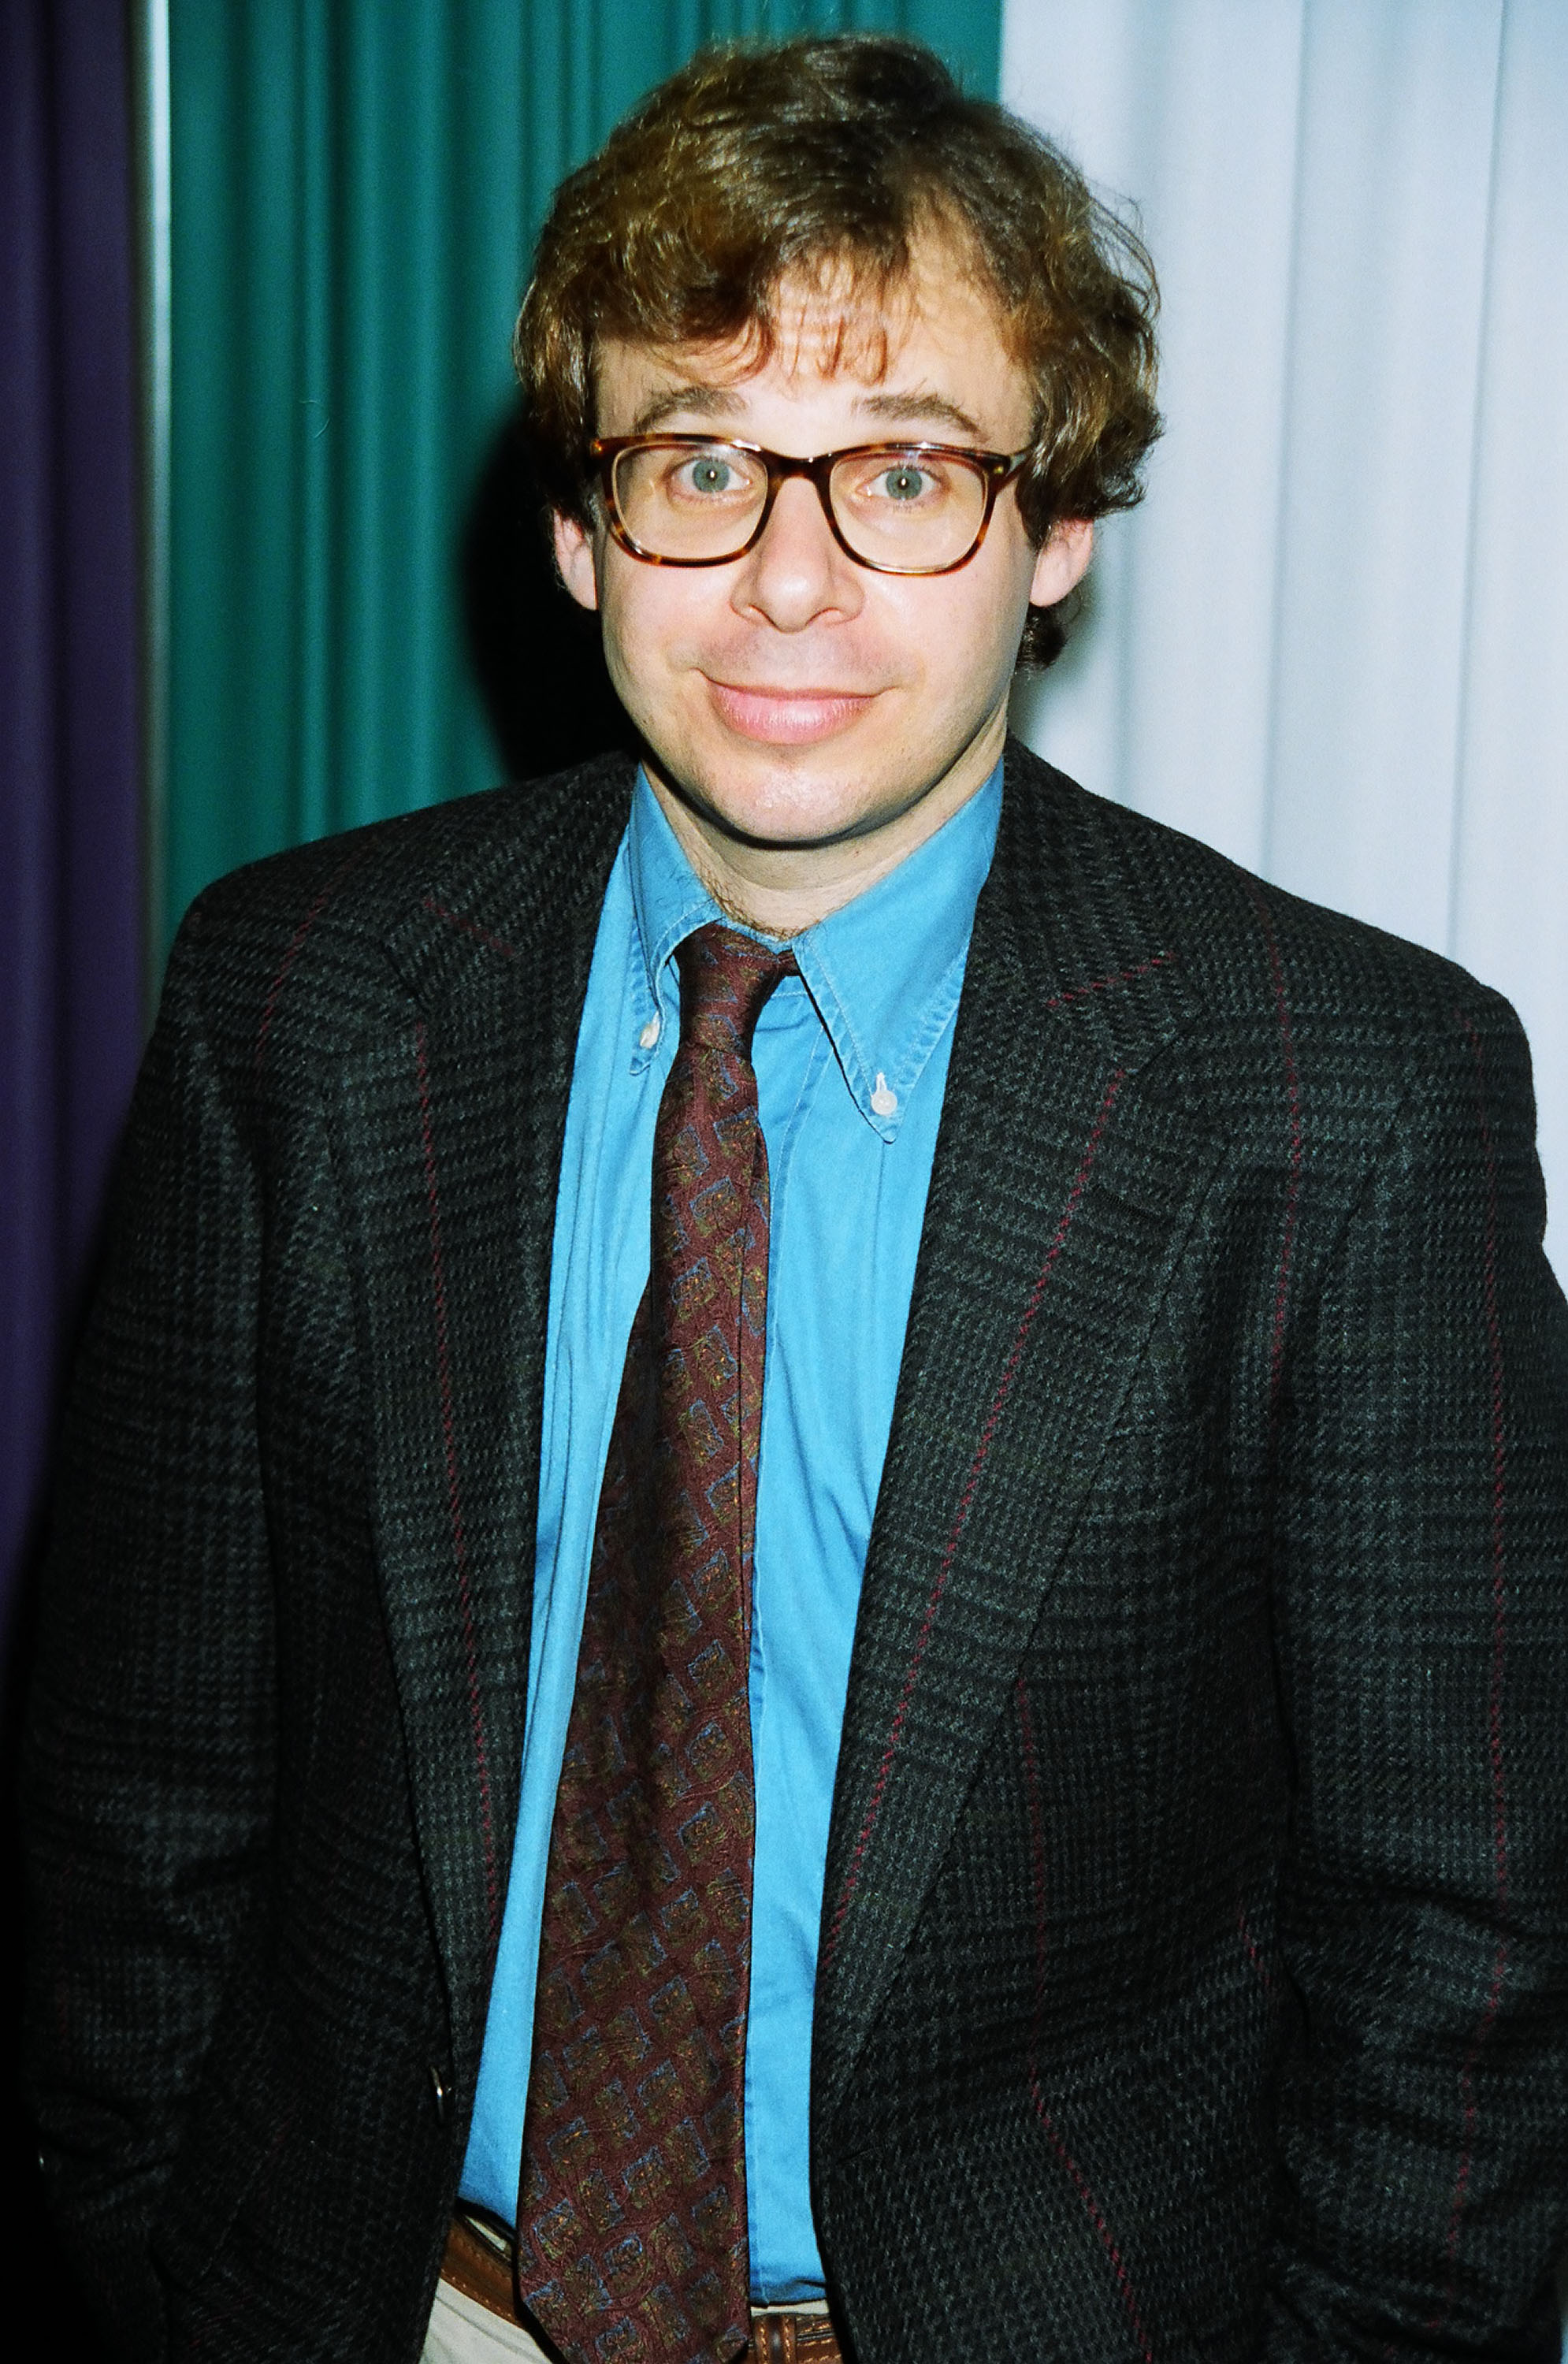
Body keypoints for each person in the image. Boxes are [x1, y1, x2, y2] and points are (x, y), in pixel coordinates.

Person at [22, 34, 1568, 2364]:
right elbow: (136, 1795)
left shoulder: (1348, 1102)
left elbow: (1463, 1963)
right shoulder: (300, 1003)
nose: (790, 581)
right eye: (704, 463)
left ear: (1056, 533)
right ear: (578, 524)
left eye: (910, 473)